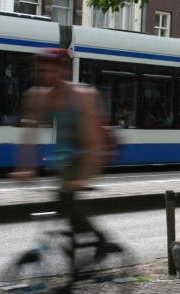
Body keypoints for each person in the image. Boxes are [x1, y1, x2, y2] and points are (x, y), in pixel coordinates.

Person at [11, 48, 113, 257]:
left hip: (86, 155)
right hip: (63, 160)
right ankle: (78, 260)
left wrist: (83, 179)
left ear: (64, 71)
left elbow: (93, 142)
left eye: (53, 69)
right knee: (65, 210)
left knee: (66, 198)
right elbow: (29, 136)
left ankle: (98, 239)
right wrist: (25, 169)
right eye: (43, 69)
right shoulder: (38, 97)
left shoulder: (80, 97)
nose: (47, 74)